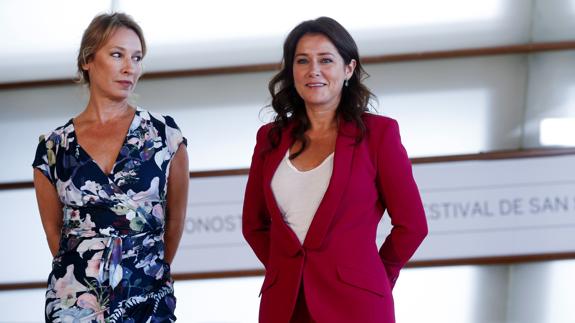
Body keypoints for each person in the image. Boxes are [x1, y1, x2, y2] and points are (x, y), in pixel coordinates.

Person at [242, 17, 428, 323]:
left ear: (349, 69)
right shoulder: (269, 138)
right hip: (284, 306)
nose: (313, 70)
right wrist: (289, 270)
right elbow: (254, 224)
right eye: (302, 60)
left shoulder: (378, 134)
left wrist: (378, 276)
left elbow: (412, 225)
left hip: (357, 304)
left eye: (326, 60)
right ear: (292, 71)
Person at [32, 13, 188, 322]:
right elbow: (56, 235)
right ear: (88, 60)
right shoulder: (52, 148)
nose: (130, 67)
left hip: (148, 297)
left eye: (137, 57)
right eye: (117, 55)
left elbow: (175, 223)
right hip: (73, 303)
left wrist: (141, 273)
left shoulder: (165, 136)